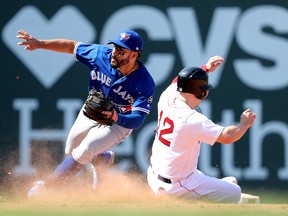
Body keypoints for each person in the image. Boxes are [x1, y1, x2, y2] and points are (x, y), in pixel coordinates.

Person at [17, 29, 156, 197]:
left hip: (118, 122)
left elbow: (138, 119)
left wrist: (116, 116)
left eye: (121, 51)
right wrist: (40, 44)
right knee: (71, 149)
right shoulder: (100, 55)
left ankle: (45, 187)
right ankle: (101, 158)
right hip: (92, 109)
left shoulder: (145, 82)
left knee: (86, 149)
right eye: (114, 47)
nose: (114, 53)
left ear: (134, 55)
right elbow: (71, 47)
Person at [147, 66, 256, 203]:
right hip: (177, 186)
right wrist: (244, 124)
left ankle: (217, 188)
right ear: (201, 93)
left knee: (229, 181)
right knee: (235, 192)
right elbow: (228, 136)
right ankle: (192, 202)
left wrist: (206, 68)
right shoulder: (191, 119)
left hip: (153, 175)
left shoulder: (167, 96)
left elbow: (176, 80)